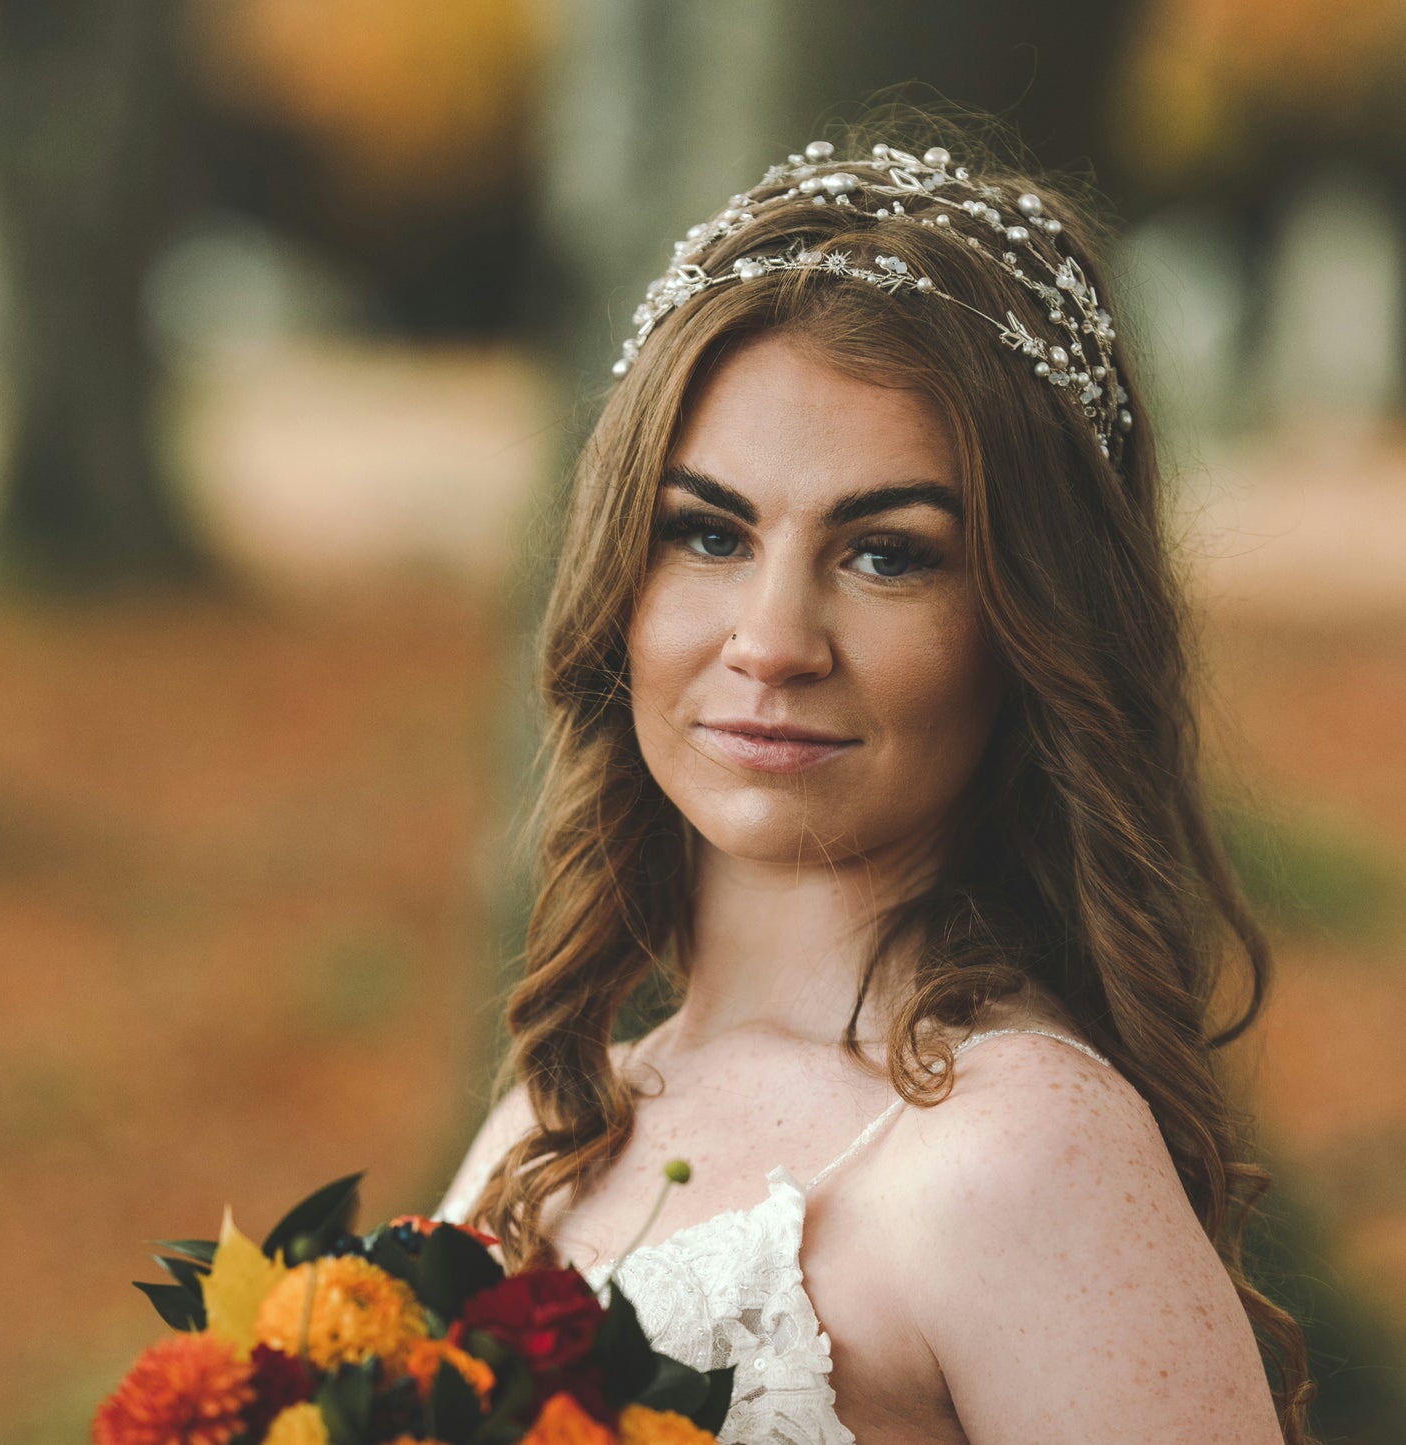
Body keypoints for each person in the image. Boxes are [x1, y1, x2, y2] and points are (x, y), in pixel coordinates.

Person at [437, 121, 1314, 1444]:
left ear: (1029, 623)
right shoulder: (553, 1120)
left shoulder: (1020, 1149)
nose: (774, 643)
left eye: (886, 553)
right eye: (709, 532)